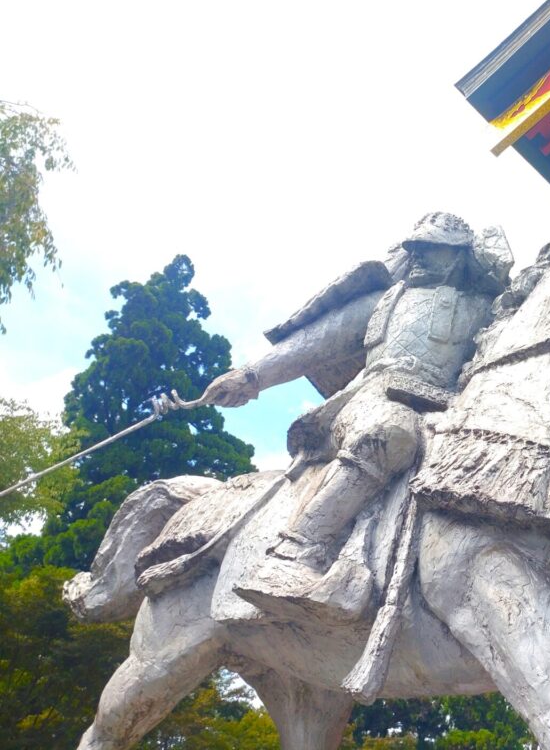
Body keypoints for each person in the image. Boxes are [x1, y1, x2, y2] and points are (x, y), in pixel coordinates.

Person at [201, 212, 511, 619]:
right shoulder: (385, 301)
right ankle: (293, 553)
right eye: (412, 246)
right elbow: (313, 344)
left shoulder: (488, 308)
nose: (414, 254)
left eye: (428, 247)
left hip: (448, 410)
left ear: (456, 256)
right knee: (391, 431)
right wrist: (251, 377)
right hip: (369, 402)